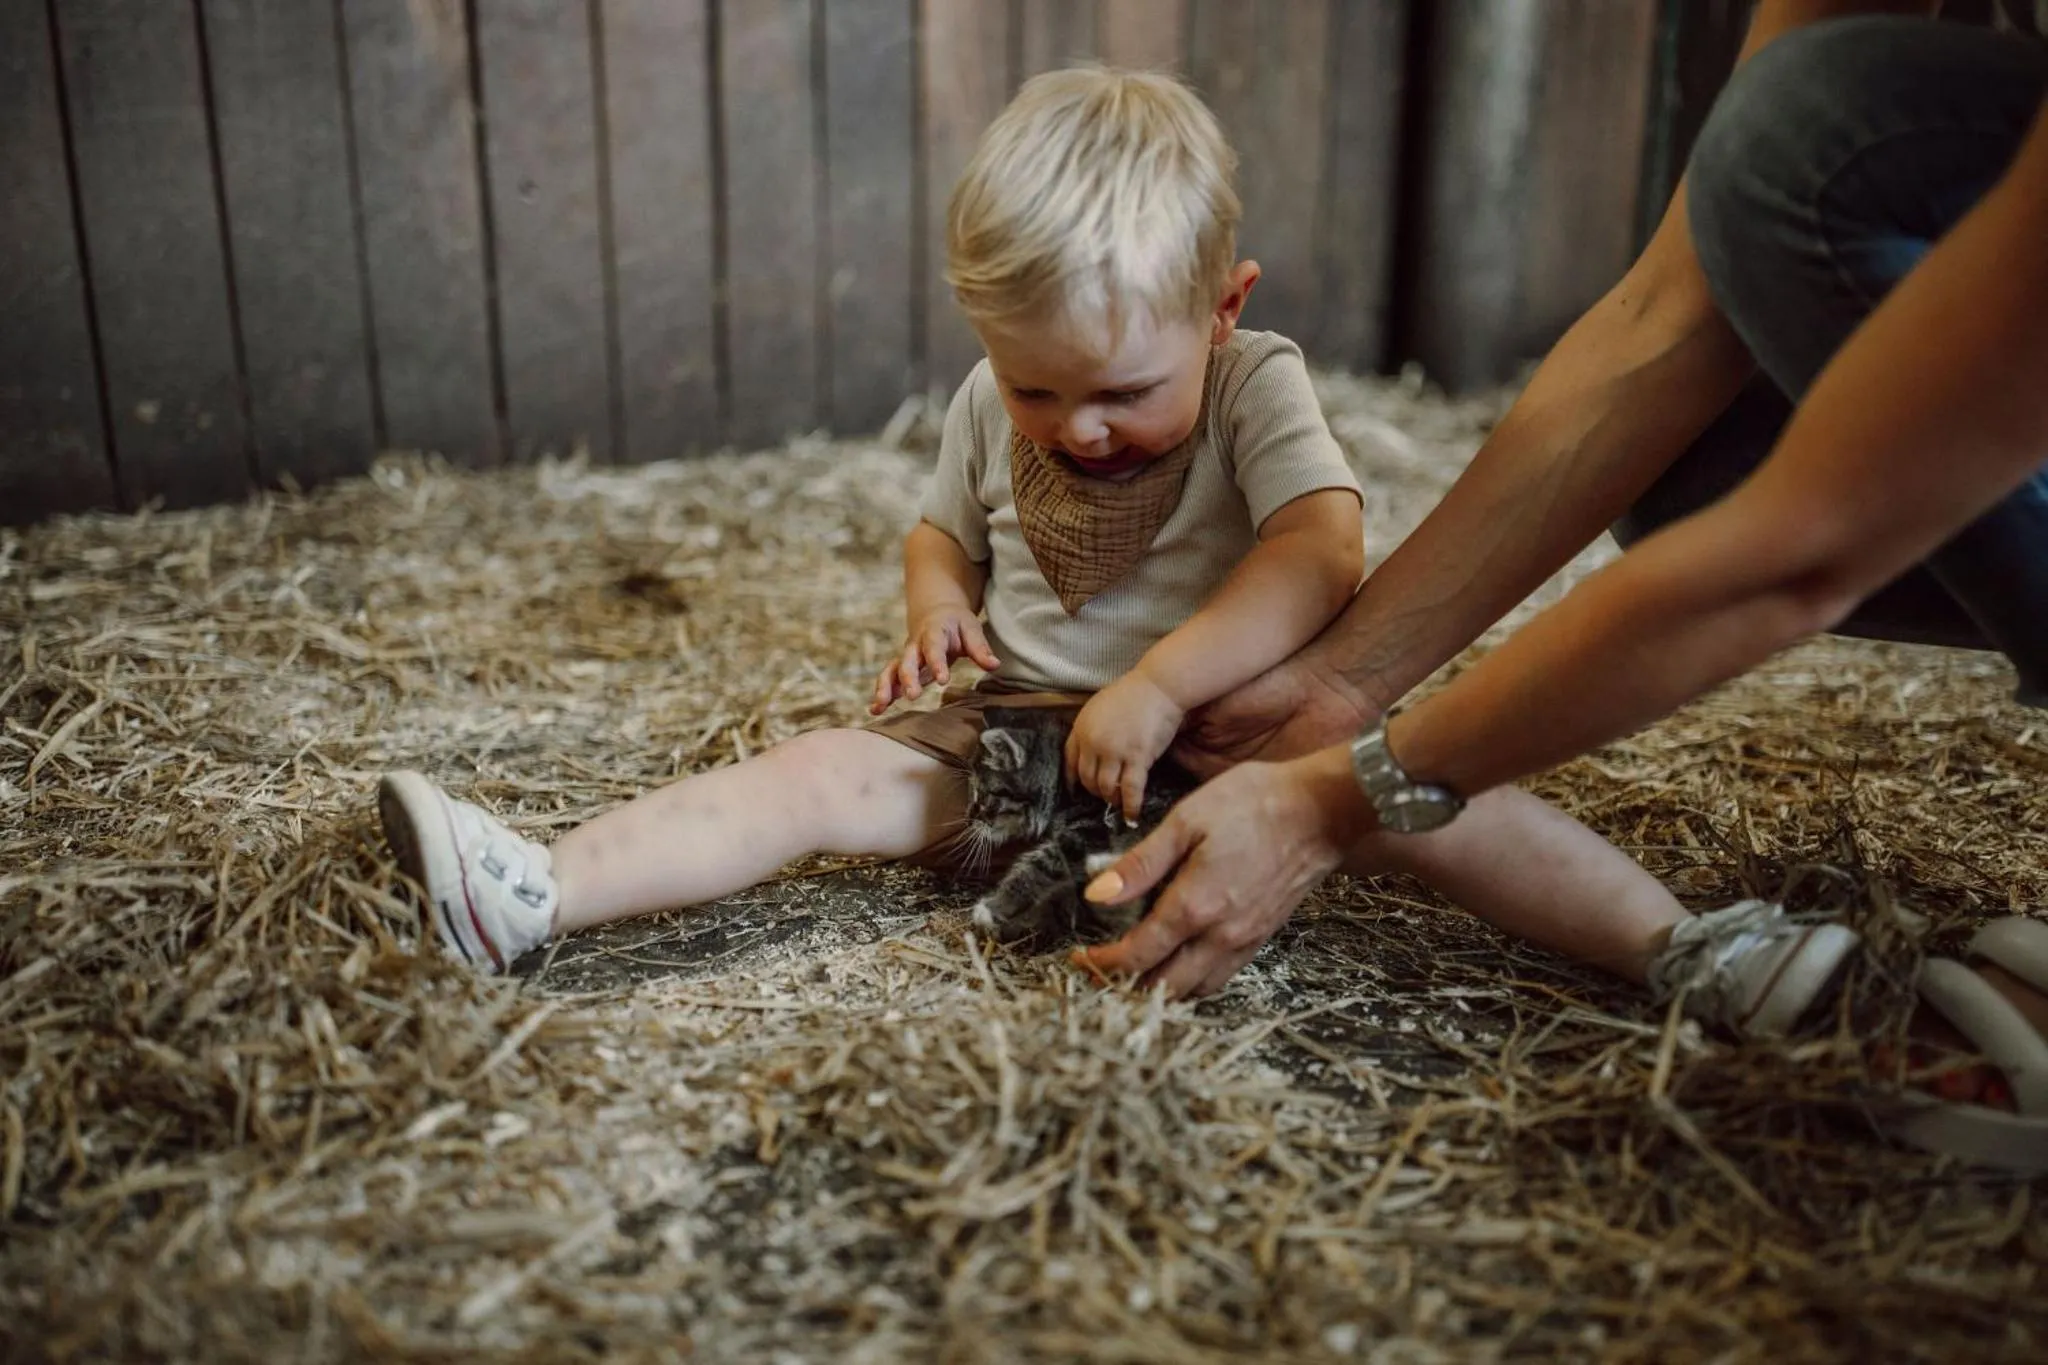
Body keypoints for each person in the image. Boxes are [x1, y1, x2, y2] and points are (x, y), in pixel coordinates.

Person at [372, 67, 1846, 1039]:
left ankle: (1688, 950)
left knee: (1444, 797)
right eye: (1034, 389)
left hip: (1239, 738)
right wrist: (938, 610)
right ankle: (539, 891)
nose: (1075, 429)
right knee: (822, 772)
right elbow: (941, 530)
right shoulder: (988, 403)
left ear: (1222, 306)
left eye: (1124, 390)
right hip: (1017, 732)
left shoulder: (1257, 385)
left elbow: (1322, 555)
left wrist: (1161, 680)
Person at [1076, 8, 2048, 1167]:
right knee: (1702, 440)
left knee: (1817, 135)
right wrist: (1340, 686)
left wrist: (1332, 800)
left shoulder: (1259, 390)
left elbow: (1799, 547)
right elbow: (1667, 314)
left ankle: (1698, 948)